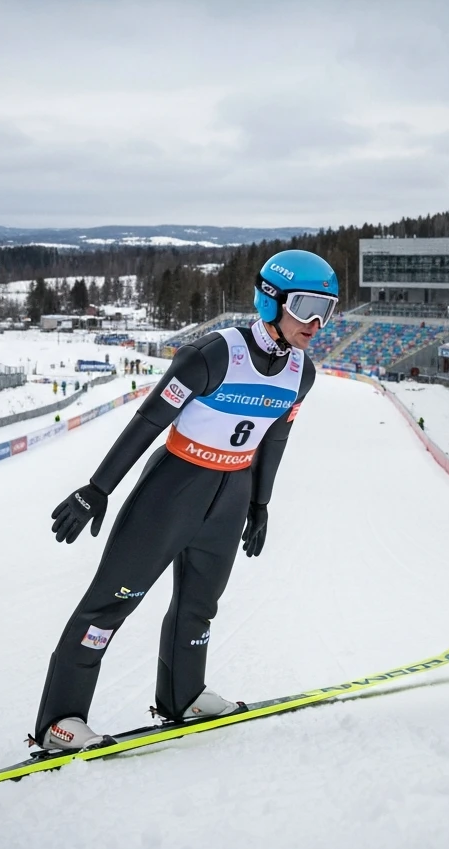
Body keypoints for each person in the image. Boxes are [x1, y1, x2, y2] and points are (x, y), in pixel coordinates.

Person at [33, 249, 337, 752]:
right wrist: (97, 487)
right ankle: (59, 721)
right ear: (271, 300)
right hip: (174, 486)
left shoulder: (299, 373)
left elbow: (274, 440)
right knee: (110, 604)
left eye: (326, 310)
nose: (316, 322)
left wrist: (260, 504)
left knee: (200, 604)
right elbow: (148, 420)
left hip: (232, 491)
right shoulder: (214, 354)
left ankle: (183, 696)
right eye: (305, 306)